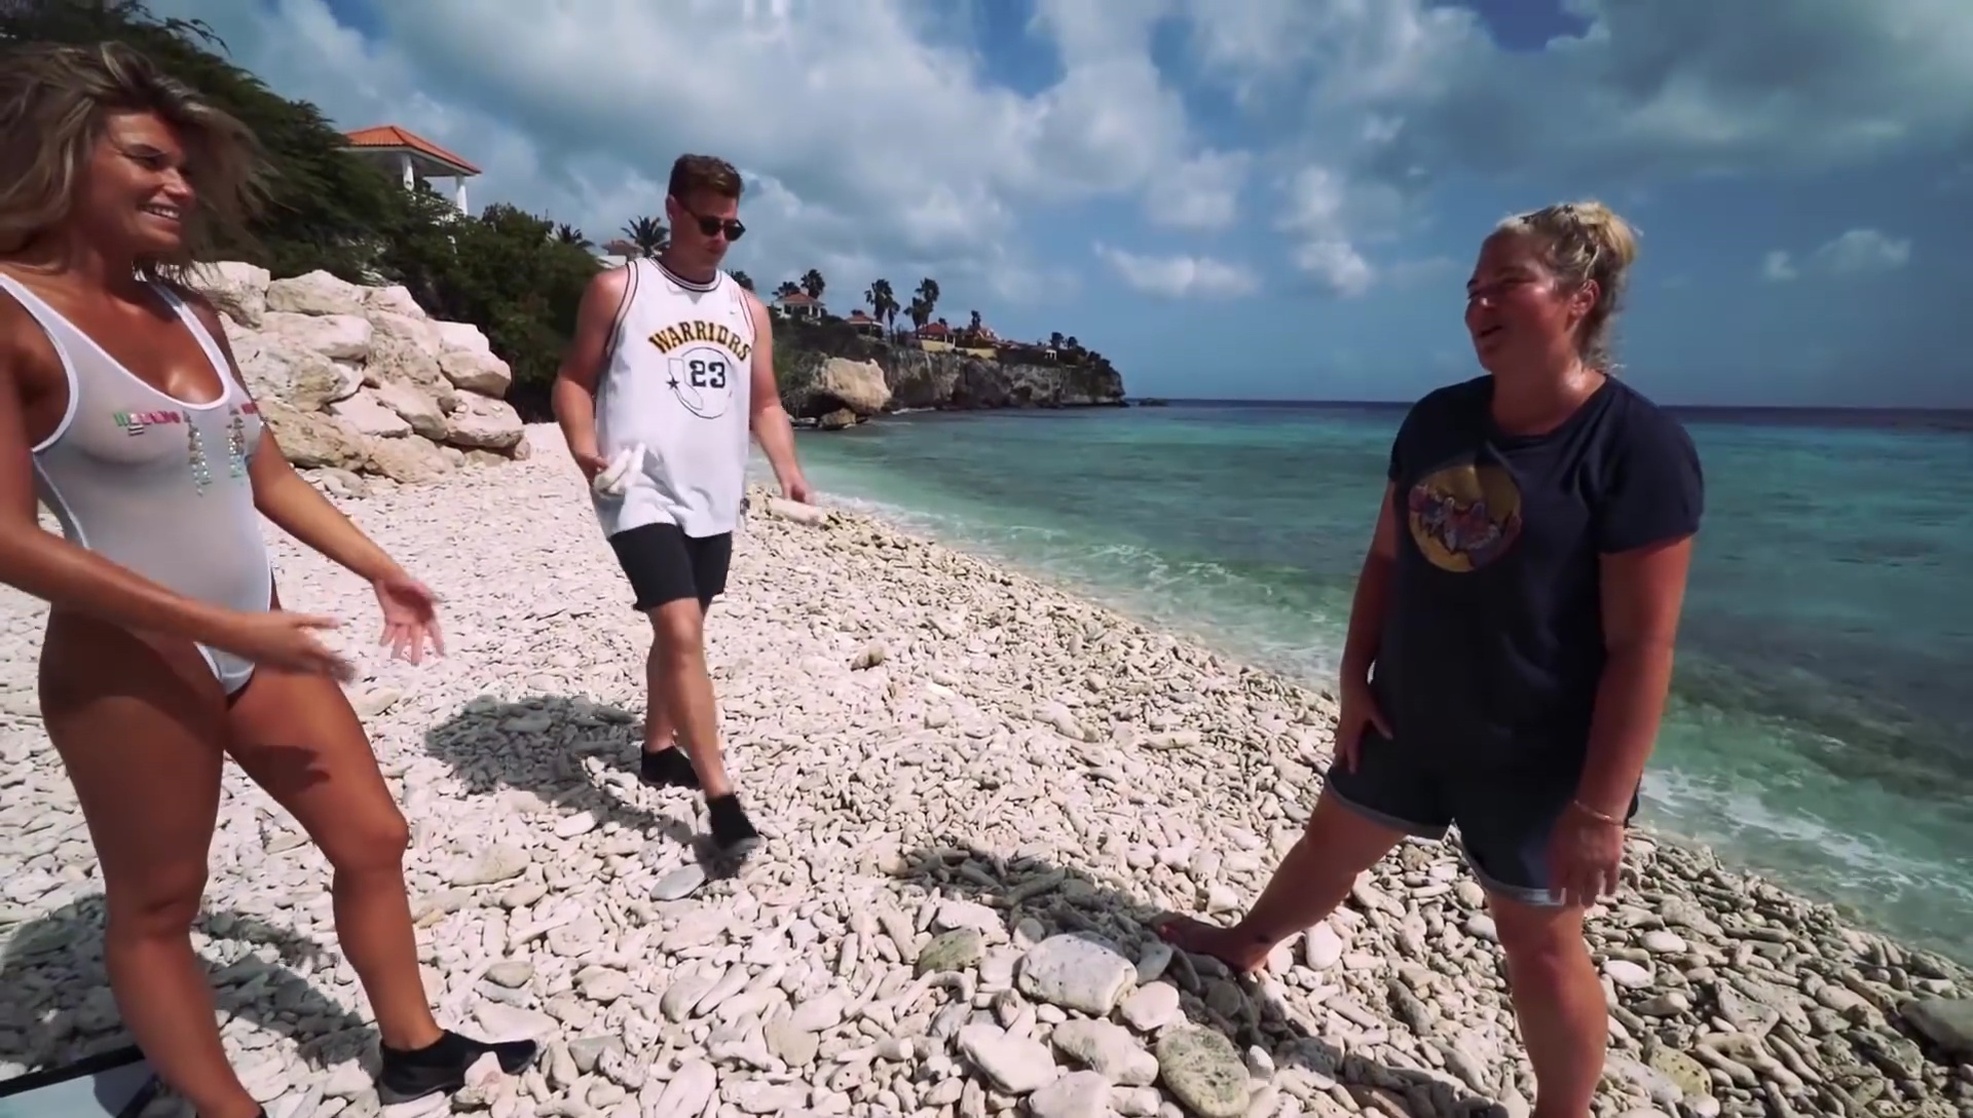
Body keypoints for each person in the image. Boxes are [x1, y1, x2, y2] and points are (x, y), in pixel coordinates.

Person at [0, 43, 537, 1118]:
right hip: (127, 666)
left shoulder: (193, 313)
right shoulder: (17, 318)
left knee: (373, 837)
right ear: (64, 158)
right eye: (148, 159)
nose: (177, 185)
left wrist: (383, 570)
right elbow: (8, 538)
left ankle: (416, 1048)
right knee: (160, 906)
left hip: (260, 634)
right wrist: (216, 622)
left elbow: (266, 470)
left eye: (186, 168)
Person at [1158, 201, 1703, 1118]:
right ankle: (1248, 942)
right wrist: (1352, 682)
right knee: (1330, 844)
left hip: (1538, 759)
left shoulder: (1636, 449)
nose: (1478, 307)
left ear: (1579, 297)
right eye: (1472, 290)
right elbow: (1385, 561)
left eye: (1506, 286)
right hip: (1408, 711)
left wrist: (1599, 809)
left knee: (1538, 945)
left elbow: (1641, 645)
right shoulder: (1438, 420)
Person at [551, 153, 810, 857]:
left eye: (733, 227)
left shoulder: (747, 310)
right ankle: (721, 800)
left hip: (716, 495)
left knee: (682, 631)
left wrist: (789, 470)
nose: (721, 238)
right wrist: (583, 449)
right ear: (672, 210)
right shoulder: (620, 289)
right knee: (683, 631)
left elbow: (764, 402)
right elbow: (573, 380)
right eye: (708, 223)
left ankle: (658, 747)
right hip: (636, 487)